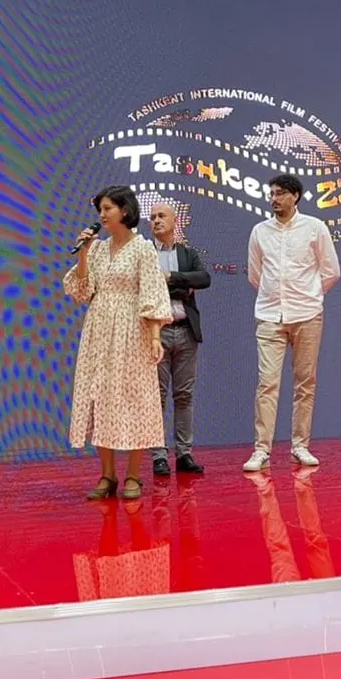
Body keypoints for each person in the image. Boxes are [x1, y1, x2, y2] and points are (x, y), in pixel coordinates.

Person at [65, 185, 172, 500]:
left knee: (135, 398)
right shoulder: (97, 249)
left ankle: (134, 476)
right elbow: (81, 291)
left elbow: (152, 292)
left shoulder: (142, 249)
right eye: (100, 209)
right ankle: (107, 475)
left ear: (124, 210)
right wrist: (83, 254)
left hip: (131, 330)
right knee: (100, 398)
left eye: (108, 208)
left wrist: (154, 336)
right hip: (99, 330)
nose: (102, 215)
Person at [242, 173, 341, 473]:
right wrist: (278, 298)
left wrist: (309, 297)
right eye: (271, 193)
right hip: (270, 316)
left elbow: (331, 271)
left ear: (295, 196)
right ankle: (261, 450)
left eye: (281, 193)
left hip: (307, 314)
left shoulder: (315, 228)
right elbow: (255, 275)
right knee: (266, 384)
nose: (274, 198)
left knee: (305, 384)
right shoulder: (259, 231)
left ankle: (300, 446)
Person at [147, 202, 210, 476]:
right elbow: (148, 286)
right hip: (155, 334)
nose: (156, 221)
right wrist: (183, 287)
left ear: (175, 221)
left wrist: (172, 277)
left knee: (184, 395)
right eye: (152, 217)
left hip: (186, 331)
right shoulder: (145, 254)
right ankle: (159, 455)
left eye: (161, 216)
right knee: (156, 397)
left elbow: (204, 278)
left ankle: (184, 453)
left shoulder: (187, 253)